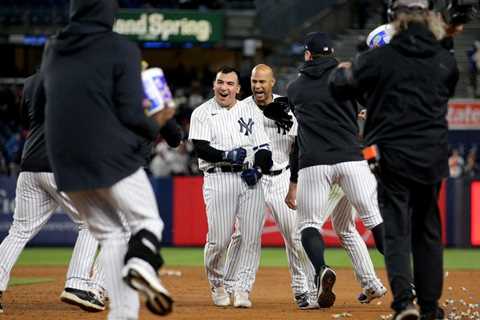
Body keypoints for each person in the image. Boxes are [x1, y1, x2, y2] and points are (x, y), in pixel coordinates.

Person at [41, 0, 174, 318]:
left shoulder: (53, 47)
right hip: (109, 155)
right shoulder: (121, 48)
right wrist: (159, 120)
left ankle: (123, 314)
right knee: (148, 222)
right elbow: (130, 113)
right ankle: (142, 264)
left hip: (64, 161)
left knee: (111, 235)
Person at [329, 0, 459, 318]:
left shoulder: (379, 58)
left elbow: (340, 86)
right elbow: (447, 83)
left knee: (397, 230)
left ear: (392, 19)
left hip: (391, 155)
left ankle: (404, 303)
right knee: (428, 231)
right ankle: (430, 307)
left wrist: (360, 60)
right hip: (432, 155)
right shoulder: (444, 60)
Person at [225, 64, 386, 309]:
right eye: (254, 81)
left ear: (272, 82)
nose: (258, 86)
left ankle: (305, 290)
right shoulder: (241, 109)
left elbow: (304, 136)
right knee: (244, 236)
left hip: (286, 176)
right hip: (254, 179)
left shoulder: (290, 103)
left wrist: (293, 184)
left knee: (298, 235)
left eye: (262, 81)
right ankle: (237, 288)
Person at [286, 32, 385, 308]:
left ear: (308, 55)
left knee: (308, 226)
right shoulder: (348, 78)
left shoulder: (295, 89)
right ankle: (402, 280)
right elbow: (370, 100)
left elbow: (302, 124)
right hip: (352, 160)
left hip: (315, 163)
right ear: (332, 54)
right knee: (371, 220)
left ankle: (321, 271)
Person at [0, 72, 106, 314]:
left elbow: (25, 120)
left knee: (18, 231)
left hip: (30, 165)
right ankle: (77, 283)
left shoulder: (31, 82)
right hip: (62, 166)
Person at [188, 66, 273, 308]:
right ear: (214, 85)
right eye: (220, 82)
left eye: (229, 84)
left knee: (251, 237)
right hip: (218, 178)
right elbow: (201, 148)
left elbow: (264, 148)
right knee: (219, 240)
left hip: (249, 179)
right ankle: (217, 283)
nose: (224, 88)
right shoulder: (202, 113)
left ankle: (243, 288)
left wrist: (258, 170)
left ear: (238, 88)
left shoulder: (251, 111)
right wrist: (226, 154)